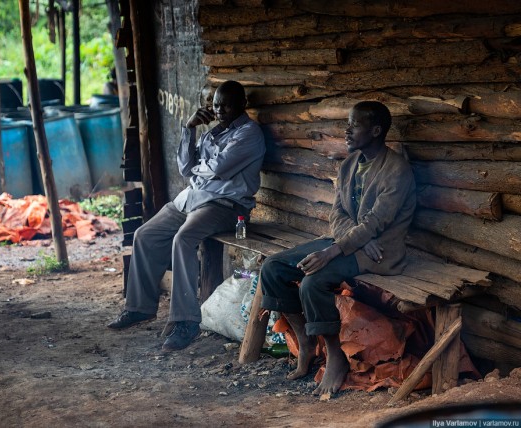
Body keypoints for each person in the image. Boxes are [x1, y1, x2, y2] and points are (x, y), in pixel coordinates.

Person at [259, 101, 416, 395]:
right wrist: (354, 240)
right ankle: (306, 342)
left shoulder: (397, 170)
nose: (347, 130)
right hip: (355, 244)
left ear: (376, 130)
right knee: (272, 268)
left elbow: (377, 223)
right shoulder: (349, 165)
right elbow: (337, 215)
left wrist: (336, 250)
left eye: (354, 125)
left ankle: (335, 356)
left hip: (381, 253)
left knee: (312, 282)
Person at [108, 80, 266, 352]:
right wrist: (188, 129)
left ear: (243, 104)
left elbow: (220, 168)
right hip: (192, 199)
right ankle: (140, 308)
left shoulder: (249, 134)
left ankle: (186, 322)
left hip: (226, 205)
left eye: (226, 104)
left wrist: (198, 168)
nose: (220, 110)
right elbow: (185, 168)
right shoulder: (211, 133)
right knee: (144, 235)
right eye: (216, 104)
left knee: (183, 239)